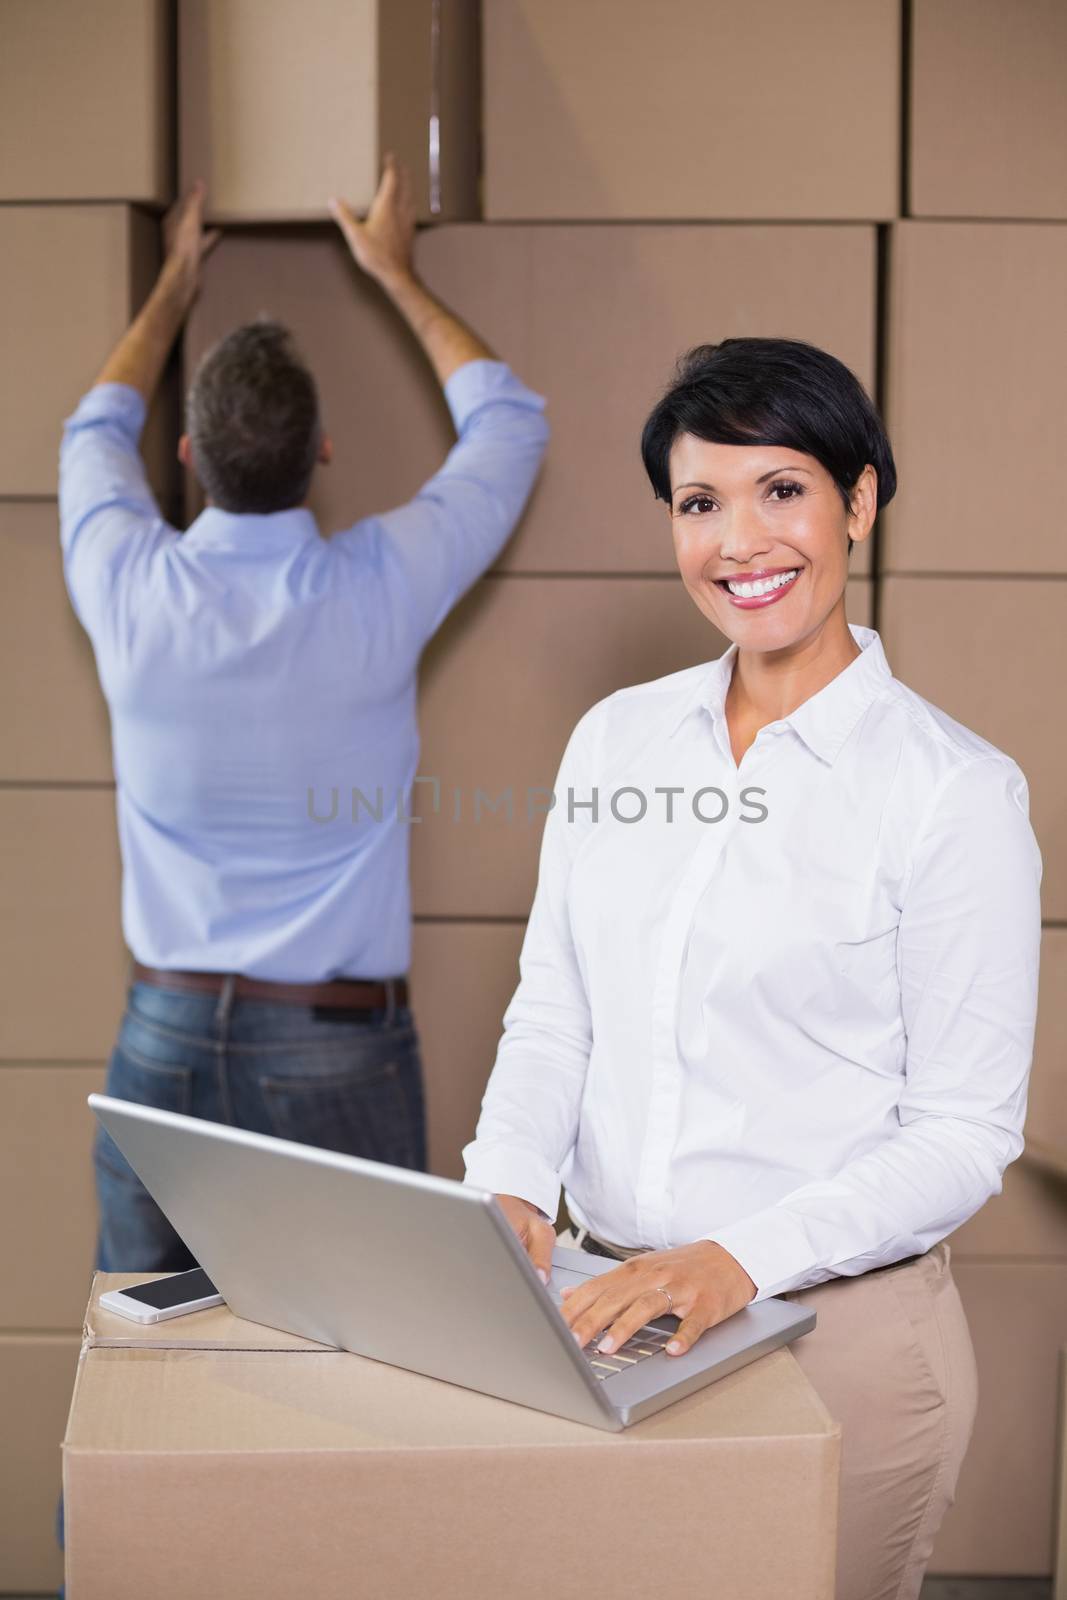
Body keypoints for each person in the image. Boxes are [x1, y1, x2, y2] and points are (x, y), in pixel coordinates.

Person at [461, 338, 1042, 1600]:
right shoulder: (615, 740)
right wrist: (505, 1178)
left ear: (860, 500)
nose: (740, 542)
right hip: (597, 1310)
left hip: (836, 1342)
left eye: (782, 489)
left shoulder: (951, 793)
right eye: (699, 503)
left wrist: (735, 1256)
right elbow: (557, 1007)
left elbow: (960, 1133)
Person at [59, 155, 549, 1273]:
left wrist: (173, 284)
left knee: (153, 1393)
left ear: (186, 457)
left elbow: (92, 429)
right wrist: (393, 270)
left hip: (163, 1046)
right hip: (337, 1047)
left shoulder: (127, 586)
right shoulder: (378, 585)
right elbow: (510, 427)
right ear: (319, 455)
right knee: (354, 1388)